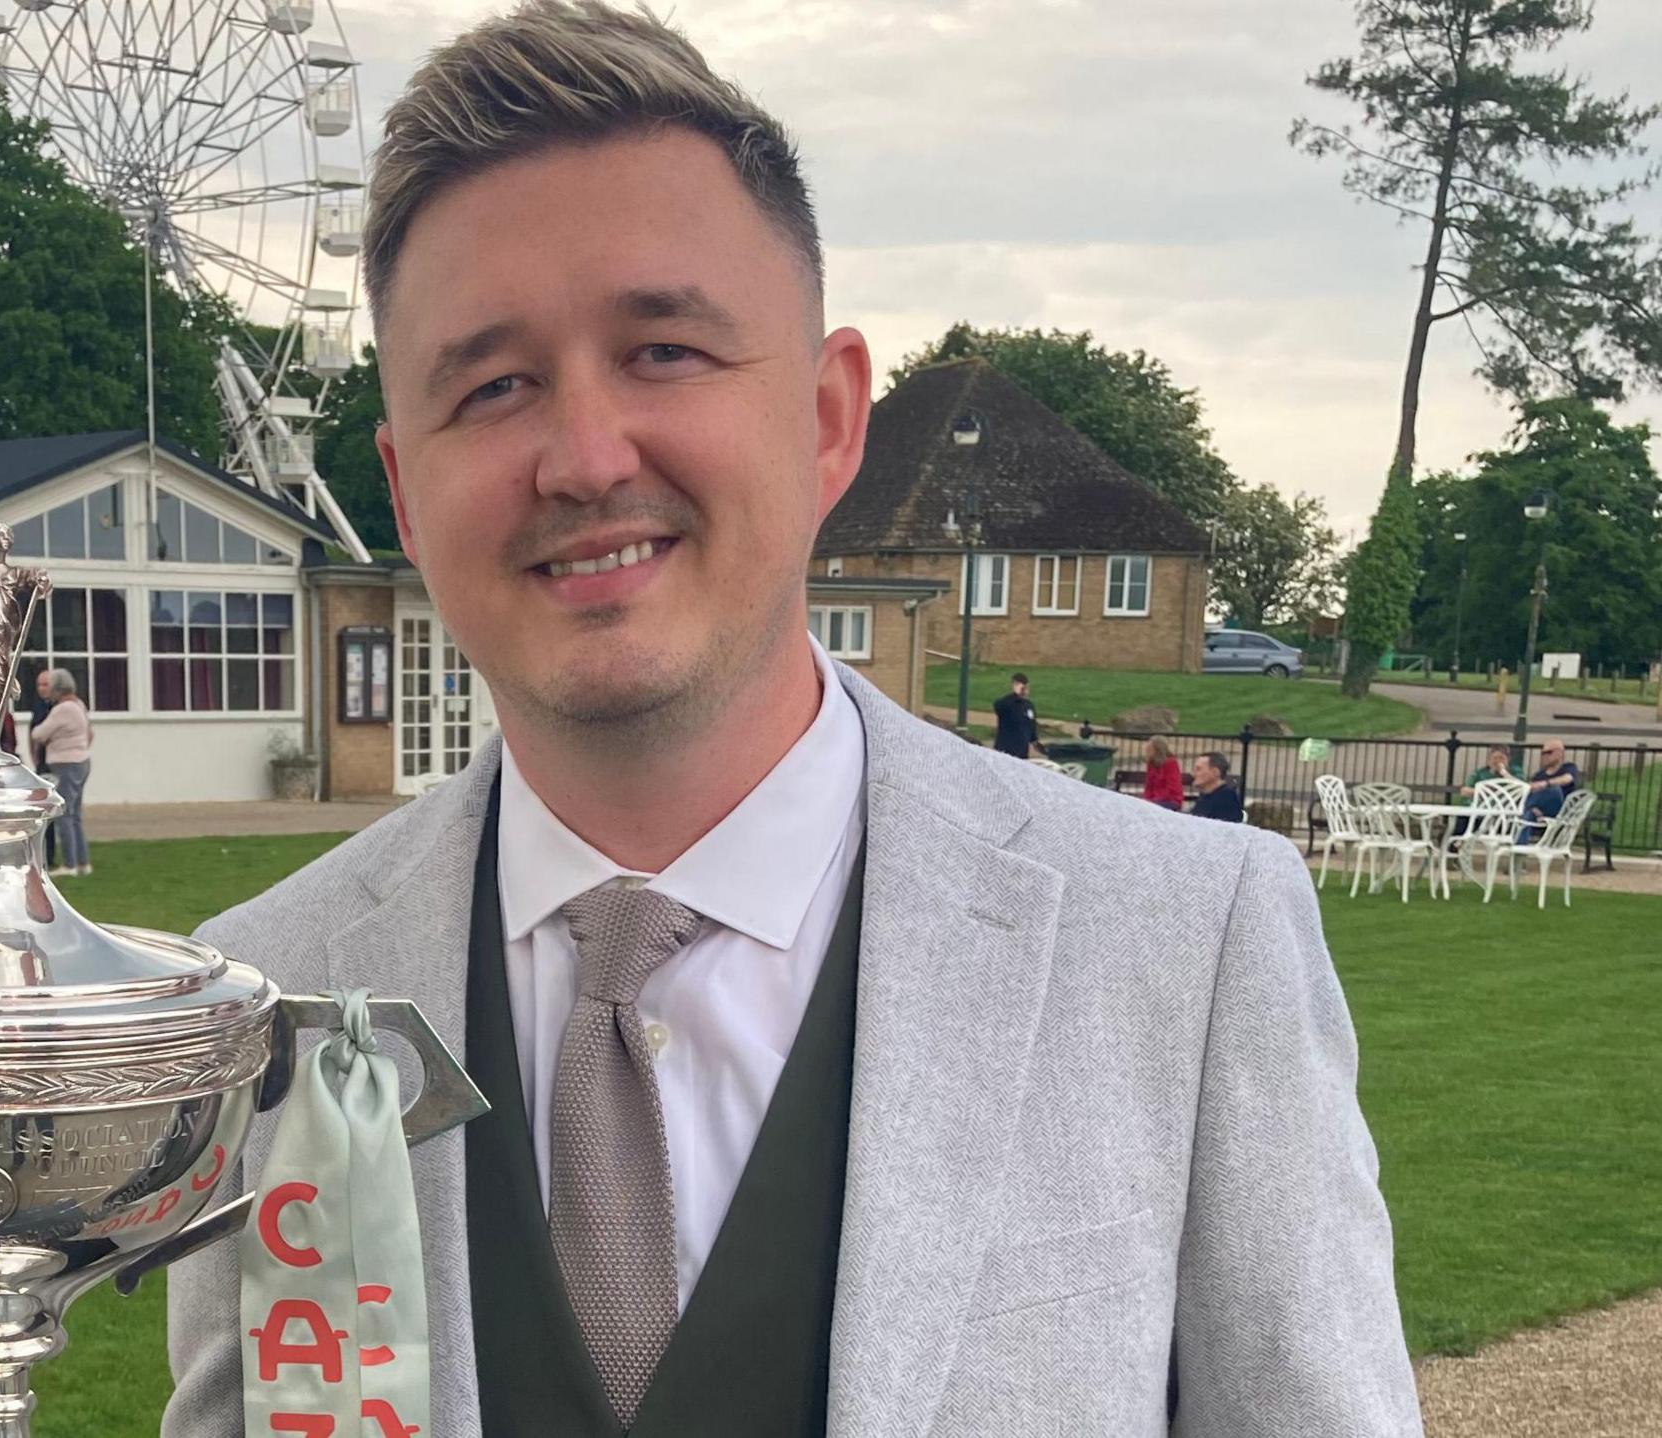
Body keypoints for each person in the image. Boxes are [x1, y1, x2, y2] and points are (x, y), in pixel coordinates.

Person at [163, 6, 1421, 1435]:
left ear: (829, 419)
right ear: (402, 491)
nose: (581, 458)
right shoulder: (267, 995)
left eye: (666, 351)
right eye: (494, 386)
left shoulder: (1187, 950)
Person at [31, 667, 93, 876]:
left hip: (65, 763)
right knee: (75, 815)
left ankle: (69, 864)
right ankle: (83, 862)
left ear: (58, 688)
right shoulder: (79, 705)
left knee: (64, 815)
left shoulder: (62, 709)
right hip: (81, 761)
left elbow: (39, 733)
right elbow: (89, 733)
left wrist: (47, 737)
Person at [1519, 738, 1580, 841]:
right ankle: (1519, 849)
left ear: (1560, 753)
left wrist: (1545, 784)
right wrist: (1533, 807)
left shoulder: (1568, 767)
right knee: (1529, 812)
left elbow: (1567, 779)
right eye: (1543, 753)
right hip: (1539, 813)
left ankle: (1522, 807)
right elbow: (1531, 791)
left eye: (1549, 752)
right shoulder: (1539, 774)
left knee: (1554, 790)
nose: (1545, 756)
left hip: (1559, 811)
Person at [30, 669, 60, 868]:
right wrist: (34, 758)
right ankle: (45, 855)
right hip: (42, 762)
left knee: (59, 808)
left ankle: (59, 855)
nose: (42, 689)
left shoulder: (61, 707)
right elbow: (33, 733)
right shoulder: (38, 707)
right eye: (39, 685)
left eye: (45, 685)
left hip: (58, 761)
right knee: (44, 810)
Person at [991, 672, 1041, 759]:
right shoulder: (1008, 703)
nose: (1025, 690)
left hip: (1022, 750)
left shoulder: (1029, 705)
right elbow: (998, 707)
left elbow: (1031, 724)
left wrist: (1034, 740)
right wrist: (1015, 694)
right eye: (1023, 687)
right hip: (1006, 749)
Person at [1189, 751, 1246, 823]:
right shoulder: (1206, 796)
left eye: (1198, 769)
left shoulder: (1226, 800)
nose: (1192, 773)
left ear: (1215, 772)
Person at [1141, 735, 1185, 810]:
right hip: (1155, 800)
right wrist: (1146, 800)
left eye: (1149, 750)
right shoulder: (1151, 764)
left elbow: (1172, 788)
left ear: (1157, 750)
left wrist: (1153, 801)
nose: (1147, 753)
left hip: (1171, 800)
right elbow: (1149, 785)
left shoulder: (1171, 763)